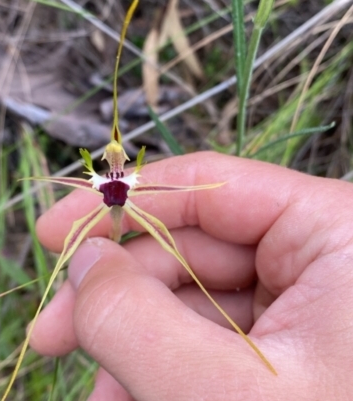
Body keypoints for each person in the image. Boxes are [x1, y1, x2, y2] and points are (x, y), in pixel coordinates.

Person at [29, 152, 353, 400]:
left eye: (121, 162)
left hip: (127, 212)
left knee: (170, 250)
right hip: (111, 212)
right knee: (68, 255)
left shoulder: (130, 186)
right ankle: (19, 367)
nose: (116, 165)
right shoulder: (106, 186)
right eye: (111, 162)